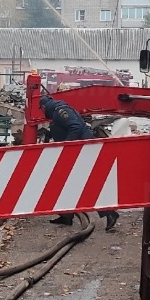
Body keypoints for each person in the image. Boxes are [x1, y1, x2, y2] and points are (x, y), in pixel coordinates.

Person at [39, 95, 120, 232]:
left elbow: (75, 127)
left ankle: (110, 213)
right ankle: (66, 215)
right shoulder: (57, 112)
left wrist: (66, 145)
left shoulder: (60, 111)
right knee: (65, 182)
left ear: (44, 107)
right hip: (78, 150)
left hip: (81, 151)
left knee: (85, 184)